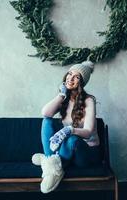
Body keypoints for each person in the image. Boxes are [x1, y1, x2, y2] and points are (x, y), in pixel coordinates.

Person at [32, 60, 101, 193]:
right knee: (47, 121)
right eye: (69, 74)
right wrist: (61, 95)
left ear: (81, 82)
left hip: (86, 153)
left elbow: (88, 131)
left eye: (76, 77)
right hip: (67, 151)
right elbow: (45, 113)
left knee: (72, 139)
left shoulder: (89, 100)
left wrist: (70, 130)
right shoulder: (64, 99)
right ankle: (51, 165)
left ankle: (49, 165)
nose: (71, 78)